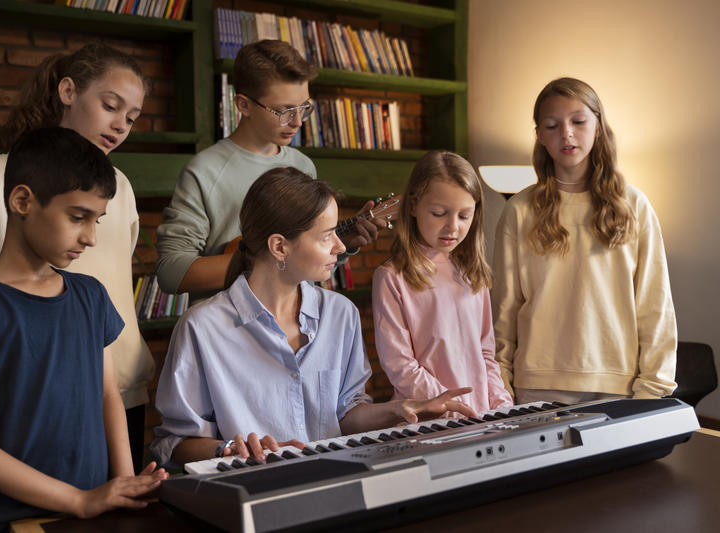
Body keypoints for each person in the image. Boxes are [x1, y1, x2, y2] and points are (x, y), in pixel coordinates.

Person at [151, 167, 476, 466]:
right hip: (251, 492)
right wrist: (228, 449)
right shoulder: (202, 327)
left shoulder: (341, 314)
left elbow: (346, 416)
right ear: (280, 247)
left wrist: (403, 408)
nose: (340, 247)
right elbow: (174, 444)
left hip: (333, 483)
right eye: (326, 236)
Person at [0, 127, 168, 532]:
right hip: (9, 523)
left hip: (90, 515)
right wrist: (78, 500)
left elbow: (108, 395)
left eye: (97, 220)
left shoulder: (91, 296)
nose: (90, 237)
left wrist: (124, 485)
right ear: (22, 201)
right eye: (78, 217)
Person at [0, 42, 155, 473]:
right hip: (30, 399)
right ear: (67, 92)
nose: (121, 125)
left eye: (132, 118)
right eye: (111, 106)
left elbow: (116, 278)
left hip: (118, 390)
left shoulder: (121, 187)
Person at [492, 77, 677, 405]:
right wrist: (500, 386)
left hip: (619, 386)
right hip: (536, 385)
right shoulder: (519, 210)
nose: (566, 133)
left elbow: (655, 305)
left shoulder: (634, 206)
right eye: (552, 125)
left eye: (578, 121)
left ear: (599, 127)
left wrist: (653, 387)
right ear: (539, 136)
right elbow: (504, 311)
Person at [155, 39, 384, 302]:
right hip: (225, 322)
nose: (297, 122)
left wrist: (341, 243)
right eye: (284, 110)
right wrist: (264, 262)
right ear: (243, 105)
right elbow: (171, 272)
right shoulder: (204, 171)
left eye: (304, 108)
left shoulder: (302, 166)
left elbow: (299, 267)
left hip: (294, 319)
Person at [372, 150, 513, 413]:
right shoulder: (392, 277)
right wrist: (448, 405)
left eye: (464, 216)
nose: (453, 226)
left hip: (478, 417)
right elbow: (400, 364)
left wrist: (501, 404)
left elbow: (485, 353)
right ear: (413, 206)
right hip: (430, 418)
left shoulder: (472, 273)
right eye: (439, 213)